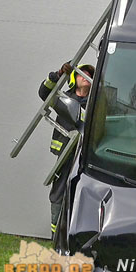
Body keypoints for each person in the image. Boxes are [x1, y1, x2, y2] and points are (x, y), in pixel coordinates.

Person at [38, 61, 94, 235]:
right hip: (65, 156)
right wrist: (58, 73)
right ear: (72, 78)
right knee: (59, 193)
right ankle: (56, 236)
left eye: (90, 75)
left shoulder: (96, 103)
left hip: (86, 157)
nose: (86, 77)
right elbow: (44, 92)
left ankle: (77, 236)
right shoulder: (64, 99)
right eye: (81, 73)